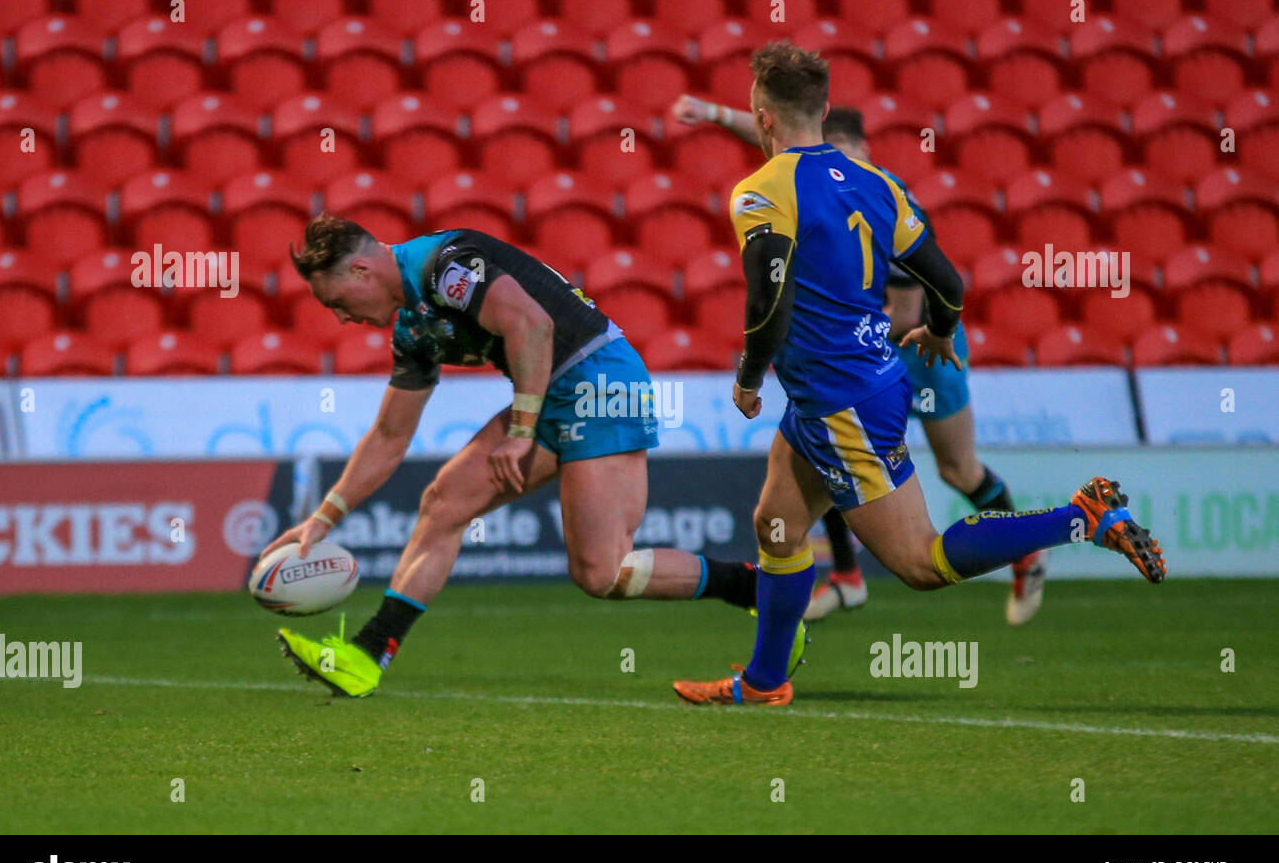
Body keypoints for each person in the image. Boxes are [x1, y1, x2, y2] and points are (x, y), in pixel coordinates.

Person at [671, 41, 1165, 706]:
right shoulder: (877, 182)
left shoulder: (761, 192)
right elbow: (948, 280)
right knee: (777, 525)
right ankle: (763, 682)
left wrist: (749, 375)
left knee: (920, 563)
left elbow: (768, 297)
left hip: (838, 399)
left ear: (762, 118)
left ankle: (1081, 517)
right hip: (865, 378)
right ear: (821, 111)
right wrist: (936, 329)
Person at [262, 215, 806, 697]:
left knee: (601, 572)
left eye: (336, 304)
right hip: (547, 389)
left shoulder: (445, 266)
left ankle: (762, 591)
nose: (340, 319)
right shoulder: (414, 327)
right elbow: (388, 436)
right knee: (445, 503)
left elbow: (533, 324)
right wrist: (324, 516)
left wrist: (521, 433)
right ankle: (368, 654)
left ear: (360, 271)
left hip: (599, 377)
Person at [670, 98, 1047, 626]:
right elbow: (770, 129)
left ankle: (1032, 548)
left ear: (861, 153)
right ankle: (846, 577)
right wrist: (711, 112)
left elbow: (909, 313)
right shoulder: (815, 174)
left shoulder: (879, 197)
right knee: (830, 454)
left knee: (956, 469)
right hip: (864, 348)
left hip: (920, 346)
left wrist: (826, 338)